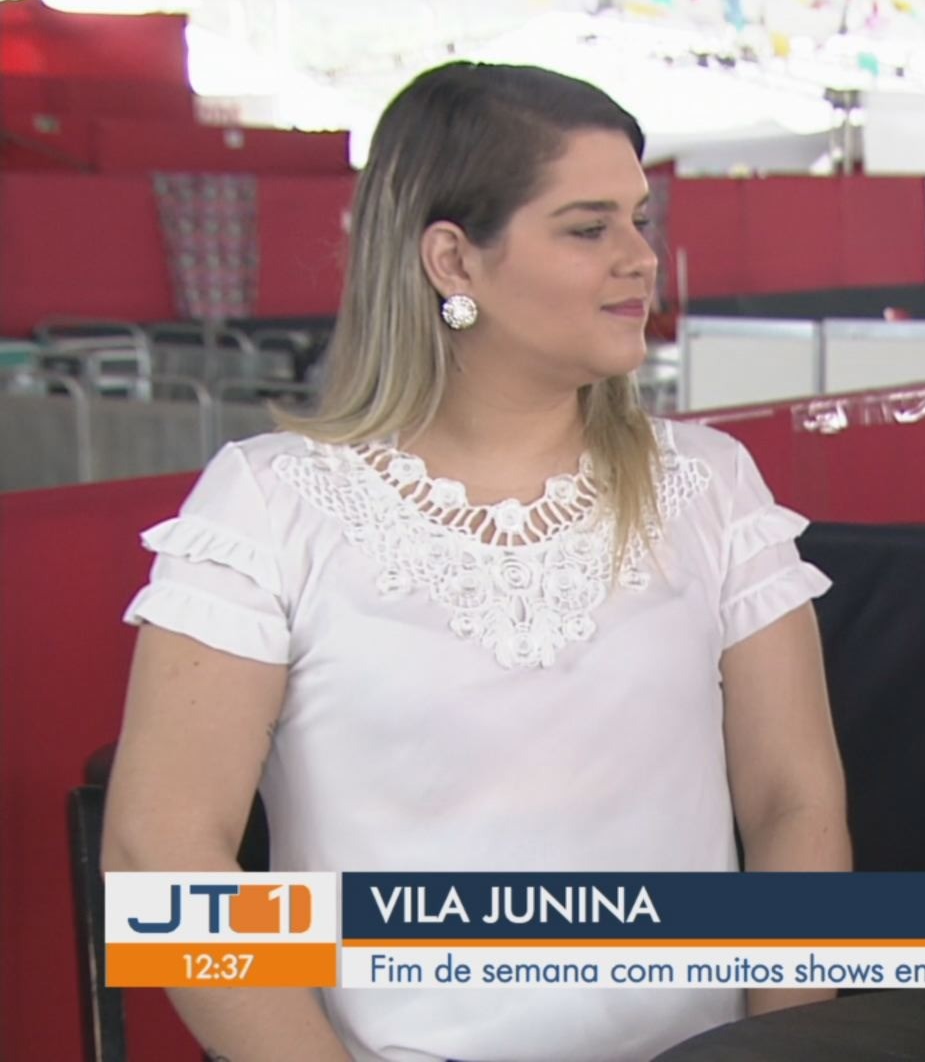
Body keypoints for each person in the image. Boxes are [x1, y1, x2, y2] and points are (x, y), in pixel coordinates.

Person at [102, 62, 851, 1061]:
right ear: (453, 260)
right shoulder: (270, 505)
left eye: (639, 220)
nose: (641, 258)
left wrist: (784, 1051)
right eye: (588, 228)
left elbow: (792, 801)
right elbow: (158, 850)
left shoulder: (712, 487)